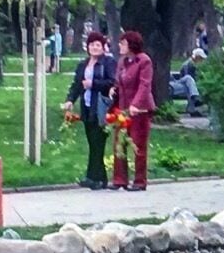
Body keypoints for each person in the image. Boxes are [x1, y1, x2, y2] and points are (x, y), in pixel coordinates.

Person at [65, 29, 115, 186]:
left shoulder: (108, 63)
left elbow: (112, 82)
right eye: (92, 44)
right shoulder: (83, 65)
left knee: (97, 142)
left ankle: (94, 178)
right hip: (86, 108)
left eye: (98, 44)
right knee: (92, 143)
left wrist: (93, 84)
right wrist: (70, 100)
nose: (94, 47)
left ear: (103, 47)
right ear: (87, 47)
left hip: (100, 108)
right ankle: (98, 178)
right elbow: (77, 85)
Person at [110, 26, 157, 192]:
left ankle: (139, 181)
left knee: (138, 145)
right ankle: (119, 179)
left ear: (131, 44)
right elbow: (119, 81)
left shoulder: (144, 61)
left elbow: (145, 85)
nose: (120, 46)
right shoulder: (123, 61)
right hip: (123, 108)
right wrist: (113, 89)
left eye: (123, 43)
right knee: (119, 143)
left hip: (140, 110)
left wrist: (136, 105)